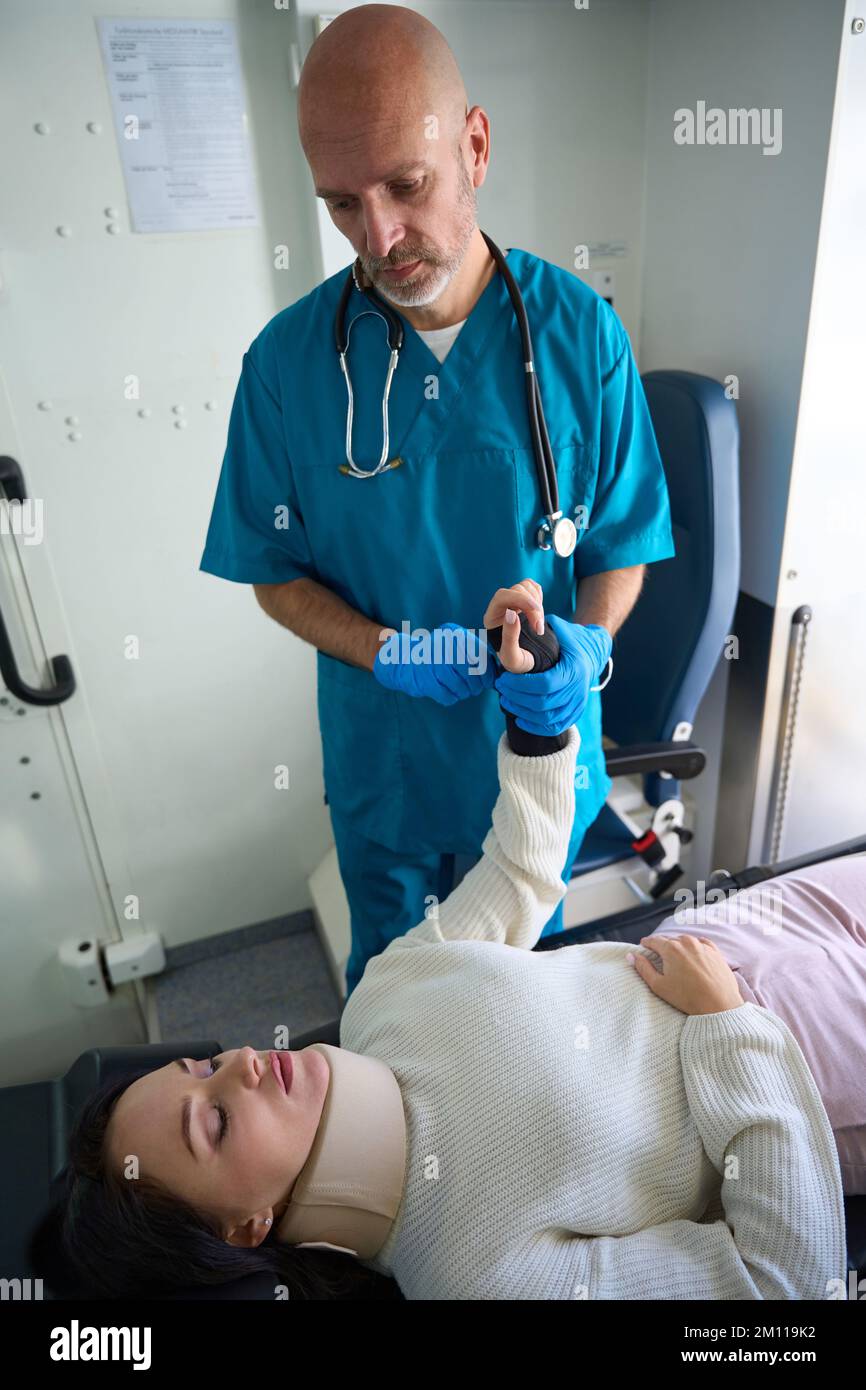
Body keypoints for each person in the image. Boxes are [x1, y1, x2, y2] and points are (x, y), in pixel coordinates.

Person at [37, 583, 857, 1302]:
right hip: (810, 1063)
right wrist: (725, 1027)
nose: (243, 1067)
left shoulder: (383, 1000)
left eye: (206, 1067)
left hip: (727, 929)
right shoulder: (478, 1277)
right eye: (213, 1123)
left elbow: (522, 871)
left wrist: (538, 720)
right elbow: (782, 1285)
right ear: (247, 1229)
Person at [198, 4, 675, 996]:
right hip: (389, 769)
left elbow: (620, 542)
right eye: (339, 204)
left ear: (475, 146)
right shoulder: (286, 368)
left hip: (535, 760)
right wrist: (385, 651)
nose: (375, 236)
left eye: (404, 187)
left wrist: (584, 645)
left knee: (520, 1000)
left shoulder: (581, 334)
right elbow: (271, 573)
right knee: (395, 1006)